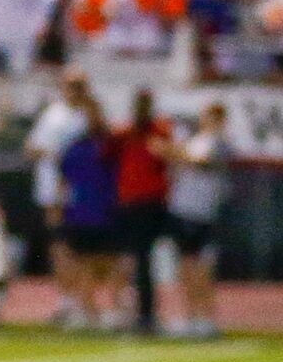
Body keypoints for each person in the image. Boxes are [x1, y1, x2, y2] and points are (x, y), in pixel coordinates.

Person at [26, 71, 91, 326]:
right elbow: (32, 148)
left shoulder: (88, 115)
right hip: (54, 190)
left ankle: (83, 302)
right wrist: (56, 155)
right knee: (60, 246)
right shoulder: (53, 115)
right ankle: (67, 301)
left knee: (82, 249)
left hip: (84, 192)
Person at [56, 96, 122, 325]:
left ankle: (114, 308)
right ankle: (88, 310)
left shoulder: (110, 144)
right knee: (84, 262)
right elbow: (63, 180)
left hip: (105, 210)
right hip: (83, 212)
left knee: (110, 261)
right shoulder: (76, 146)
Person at [112, 88, 172, 336]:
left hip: (149, 203)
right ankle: (125, 310)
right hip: (129, 201)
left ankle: (145, 313)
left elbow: (165, 155)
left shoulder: (157, 131)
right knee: (129, 259)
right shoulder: (125, 133)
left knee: (143, 259)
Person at [165, 102, 228, 338]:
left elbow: (200, 162)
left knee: (201, 267)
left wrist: (171, 151)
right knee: (186, 266)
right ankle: (191, 315)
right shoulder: (196, 140)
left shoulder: (218, 142)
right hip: (183, 209)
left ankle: (206, 317)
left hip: (201, 211)